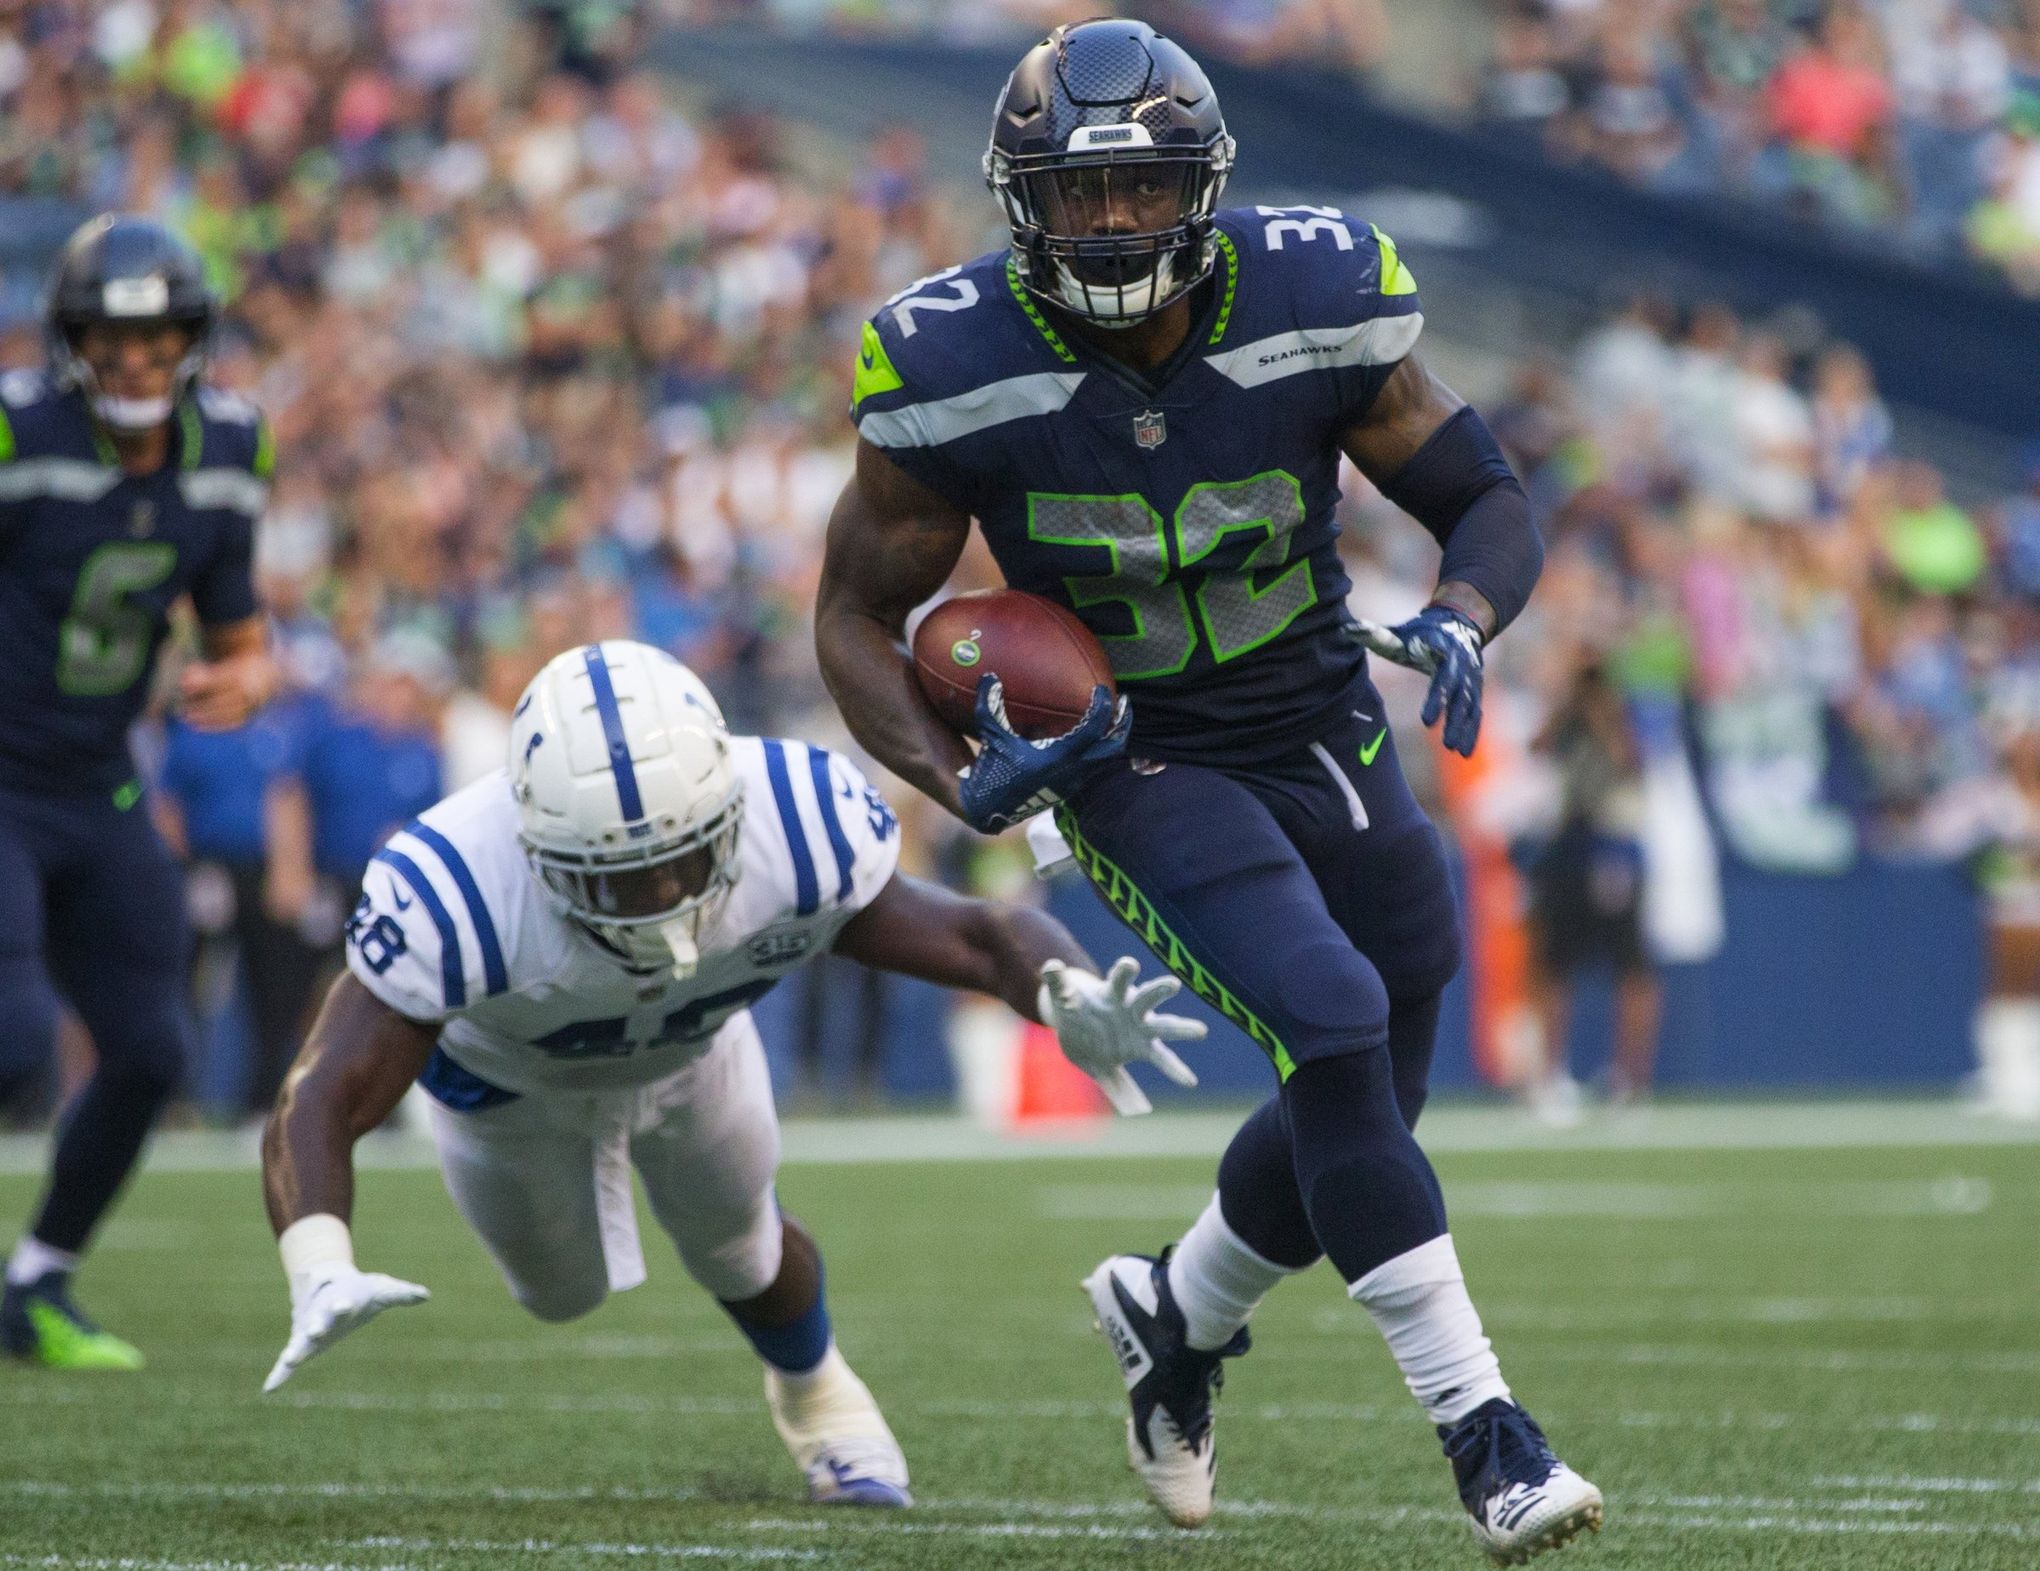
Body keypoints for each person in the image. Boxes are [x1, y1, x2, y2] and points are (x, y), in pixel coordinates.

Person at [813, 20, 1600, 1562]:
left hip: (1314, 711)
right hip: (1136, 751)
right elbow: (852, 618)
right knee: (1334, 1019)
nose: (1113, 224)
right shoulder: (949, 357)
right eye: (1079, 193)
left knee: (1371, 1087)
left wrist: (1461, 615)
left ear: (1208, 183)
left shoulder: (1312, 290)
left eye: (1145, 188)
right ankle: (1488, 1435)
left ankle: (1173, 1311)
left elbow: (1484, 493)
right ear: (1019, 195)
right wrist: (958, 773)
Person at [258, 639, 1203, 1506]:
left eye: (680, 859)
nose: (660, 899)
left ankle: (821, 1396)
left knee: (742, 1243)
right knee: (561, 1293)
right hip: (511, 1091)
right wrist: (318, 1259)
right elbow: (324, 1086)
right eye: (618, 878)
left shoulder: (795, 820)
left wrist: (1061, 987)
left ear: (727, 807)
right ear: (536, 844)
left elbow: (973, 933)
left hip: (690, 1049)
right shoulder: (457, 884)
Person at [0, 216, 275, 1370]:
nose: (132, 362)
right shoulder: (22, 431)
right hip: (2, 778)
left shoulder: (230, 448)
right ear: (72, 344)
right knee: (12, 1037)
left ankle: (37, 1282)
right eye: (109, 341)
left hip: (102, 782)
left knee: (154, 1047)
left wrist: (246, 673)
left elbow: (237, 624)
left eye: (156, 338)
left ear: (191, 341)